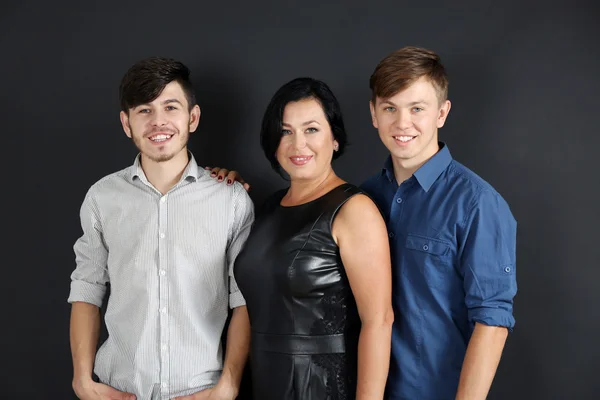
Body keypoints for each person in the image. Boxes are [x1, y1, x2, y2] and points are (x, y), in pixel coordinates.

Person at [211, 46, 518, 400]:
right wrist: (219, 185)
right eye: (390, 108)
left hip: (432, 390)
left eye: (417, 108)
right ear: (373, 114)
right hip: (360, 384)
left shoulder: (476, 203)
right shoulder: (369, 193)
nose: (402, 123)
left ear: (442, 113)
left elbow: (492, 322)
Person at [67, 57, 254, 400]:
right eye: (144, 110)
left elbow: (242, 298)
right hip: (120, 388)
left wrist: (228, 384)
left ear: (192, 118)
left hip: (201, 391)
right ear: (127, 123)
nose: (158, 122)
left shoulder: (232, 200)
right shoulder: (102, 197)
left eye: (171, 106)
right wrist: (82, 380)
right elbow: (87, 287)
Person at [231, 77, 394, 400]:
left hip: (323, 386)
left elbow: (379, 321)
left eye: (311, 129)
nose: (297, 145)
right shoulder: (267, 208)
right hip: (261, 383)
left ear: (334, 138)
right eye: (286, 131)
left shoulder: (354, 210)